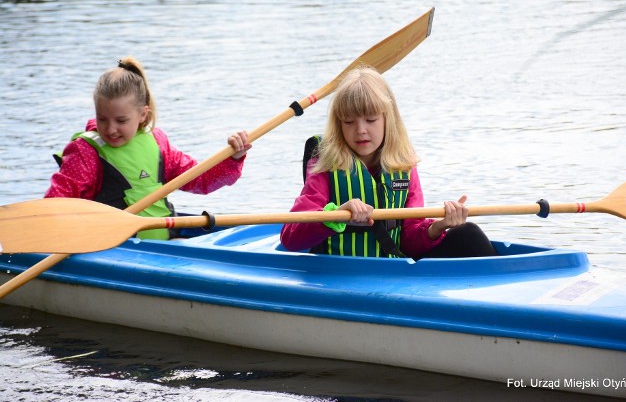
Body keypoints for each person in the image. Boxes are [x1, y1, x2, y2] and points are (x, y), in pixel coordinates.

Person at [280, 67, 496, 259]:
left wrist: (439, 226)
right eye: (349, 122)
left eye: (371, 120)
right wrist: (335, 215)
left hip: (390, 274)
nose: (361, 130)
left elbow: (410, 243)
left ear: (388, 119)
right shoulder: (325, 164)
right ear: (339, 125)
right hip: (339, 275)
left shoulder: (403, 164)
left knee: (469, 234)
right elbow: (290, 238)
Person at [45, 56, 252, 240]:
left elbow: (200, 180)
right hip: (111, 250)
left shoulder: (157, 143)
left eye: (121, 120)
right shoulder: (85, 152)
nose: (111, 129)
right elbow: (55, 204)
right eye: (102, 119)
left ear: (143, 114)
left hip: (161, 246)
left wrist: (233, 158)